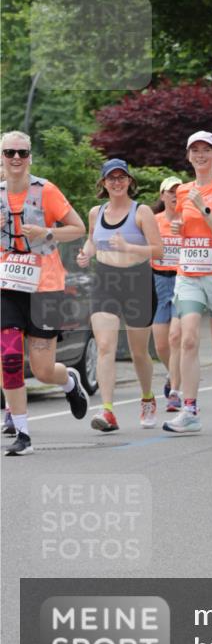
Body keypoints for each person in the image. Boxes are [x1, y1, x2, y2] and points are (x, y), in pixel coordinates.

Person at [1, 130, 89, 455]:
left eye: (22, 153)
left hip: (46, 290)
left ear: (30, 158)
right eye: (9, 152)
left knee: (42, 369)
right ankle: (22, 434)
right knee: (9, 359)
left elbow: (78, 228)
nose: (15, 158)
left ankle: (70, 382)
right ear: (1, 157)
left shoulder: (46, 190)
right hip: (8, 288)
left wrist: (47, 232)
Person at [163, 131, 212, 435]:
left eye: (206, 150)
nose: (200, 155)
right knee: (188, 338)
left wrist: (203, 206)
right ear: (188, 156)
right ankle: (190, 409)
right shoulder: (182, 191)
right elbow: (185, 228)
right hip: (189, 274)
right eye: (194, 150)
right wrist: (178, 226)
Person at [77, 158, 163, 432]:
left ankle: (148, 397)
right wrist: (86, 252)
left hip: (137, 280)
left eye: (121, 177)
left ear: (129, 182)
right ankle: (108, 411)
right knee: (105, 346)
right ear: (103, 183)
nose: (116, 182)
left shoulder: (142, 212)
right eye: (111, 178)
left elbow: (158, 251)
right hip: (105, 279)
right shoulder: (95, 212)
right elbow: (92, 238)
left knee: (139, 352)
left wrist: (129, 247)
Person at [151, 176, 183, 412]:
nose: (174, 195)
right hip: (159, 282)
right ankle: (172, 374)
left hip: (183, 283)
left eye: (178, 191)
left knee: (175, 338)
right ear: (162, 196)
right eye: (170, 191)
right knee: (161, 344)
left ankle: (175, 393)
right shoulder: (153, 221)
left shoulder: (189, 220)